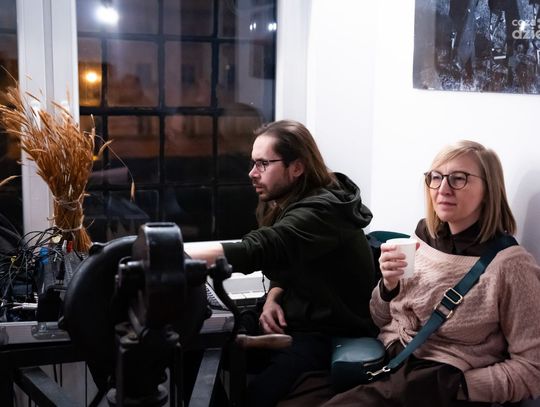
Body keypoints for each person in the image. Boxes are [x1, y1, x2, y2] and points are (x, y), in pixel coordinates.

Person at [322, 140, 540, 406]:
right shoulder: (423, 236)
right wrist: (388, 286)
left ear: (488, 190)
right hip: (391, 360)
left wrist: (457, 387)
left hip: (439, 380)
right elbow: (381, 319)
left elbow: (532, 369)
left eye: (458, 178)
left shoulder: (511, 265)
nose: (443, 189)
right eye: (436, 177)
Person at [185, 119, 378, 407]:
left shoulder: (322, 211)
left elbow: (262, 247)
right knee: (190, 349)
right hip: (291, 319)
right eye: (253, 163)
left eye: (263, 164)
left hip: (326, 334)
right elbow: (291, 256)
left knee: (254, 399)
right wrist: (274, 296)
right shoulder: (286, 201)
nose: (252, 173)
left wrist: (169, 253)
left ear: (297, 168)